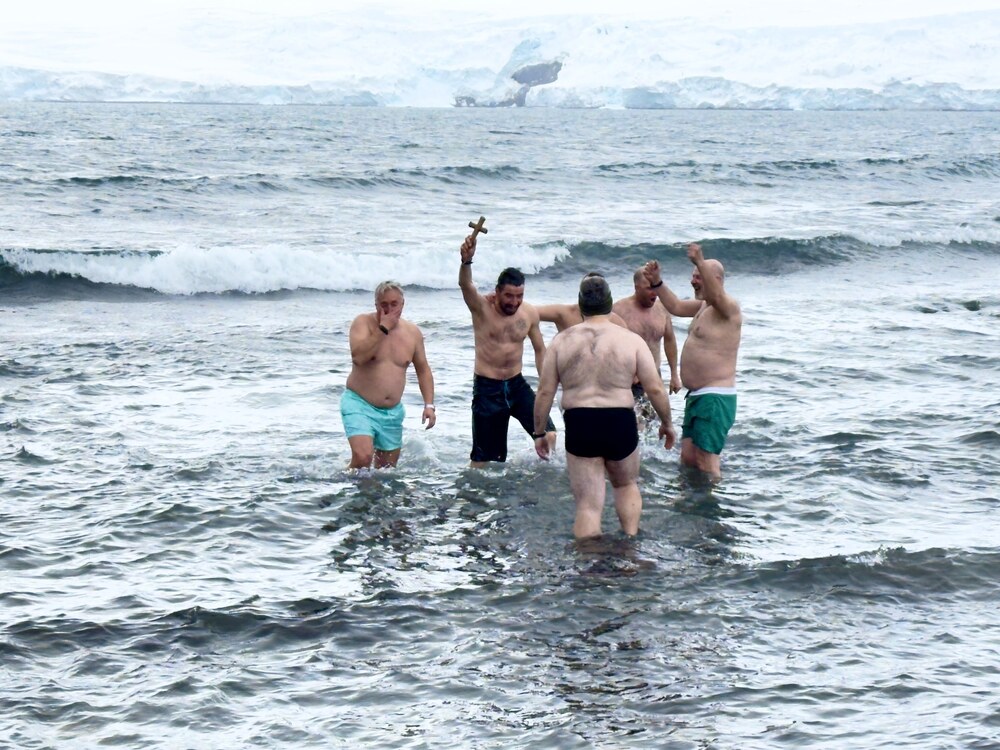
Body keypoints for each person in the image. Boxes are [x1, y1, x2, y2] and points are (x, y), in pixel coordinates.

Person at [533, 275, 675, 539]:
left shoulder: (562, 341)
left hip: (580, 421)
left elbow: (544, 392)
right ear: (610, 304)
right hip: (619, 419)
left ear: (581, 304)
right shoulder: (630, 340)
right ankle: (630, 542)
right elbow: (654, 387)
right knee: (626, 485)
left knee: (588, 504)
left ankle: (589, 565)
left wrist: (539, 432)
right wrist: (667, 423)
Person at [643, 243, 742, 480]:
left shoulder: (728, 308)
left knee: (707, 463)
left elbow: (717, 294)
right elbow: (675, 306)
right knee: (688, 458)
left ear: (715, 279)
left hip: (715, 397)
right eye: (693, 276)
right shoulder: (703, 306)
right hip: (697, 397)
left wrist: (700, 260)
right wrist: (657, 282)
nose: (693, 281)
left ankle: (711, 511)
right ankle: (690, 507)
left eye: (698, 277)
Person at [459, 232, 556, 466]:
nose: (514, 302)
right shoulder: (482, 309)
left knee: (548, 434)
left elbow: (540, 349)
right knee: (486, 460)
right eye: (509, 296)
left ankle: (542, 479)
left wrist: (545, 382)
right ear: (497, 291)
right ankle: (473, 497)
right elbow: (465, 284)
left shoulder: (529, 313)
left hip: (517, 384)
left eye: (519, 296)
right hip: (487, 389)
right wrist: (466, 261)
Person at [341, 281, 436, 469]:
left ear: (403, 304)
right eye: (384, 304)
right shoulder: (363, 323)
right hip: (359, 403)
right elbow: (358, 357)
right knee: (363, 458)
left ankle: (369, 497)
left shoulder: (412, 333)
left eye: (394, 304)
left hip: (391, 412)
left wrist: (429, 405)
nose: (389, 309)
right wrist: (383, 328)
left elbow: (423, 369)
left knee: (386, 470)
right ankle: (342, 488)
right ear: (376, 305)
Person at [613, 266, 682, 403]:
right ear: (637, 287)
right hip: (629, 381)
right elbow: (609, 346)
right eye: (649, 288)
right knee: (635, 423)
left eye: (655, 287)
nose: (654, 293)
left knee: (658, 422)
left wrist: (674, 374)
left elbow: (670, 340)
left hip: (655, 377)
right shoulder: (619, 311)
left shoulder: (662, 308)